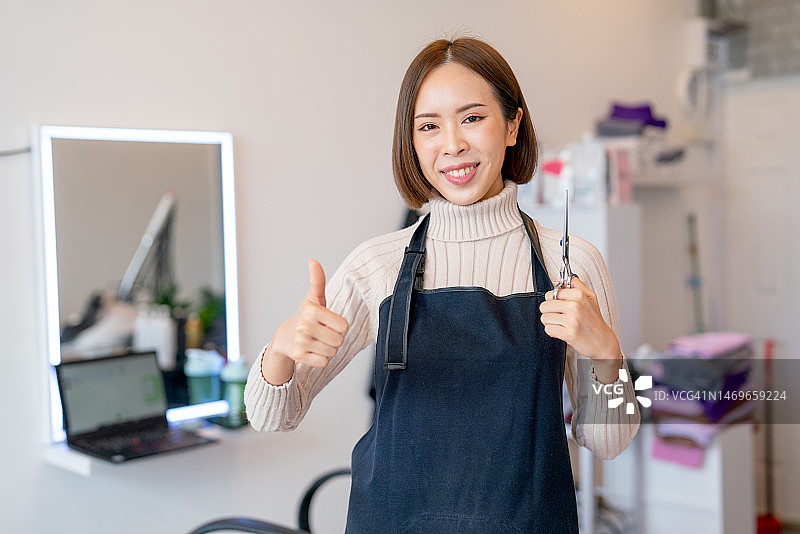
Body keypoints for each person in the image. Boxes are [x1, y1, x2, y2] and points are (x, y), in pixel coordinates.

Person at [245, 36, 640, 533]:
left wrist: (607, 354)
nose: (452, 144)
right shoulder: (378, 265)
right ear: (412, 143)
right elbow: (271, 416)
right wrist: (280, 349)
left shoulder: (571, 263)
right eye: (429, 126)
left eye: (472, 118)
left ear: (513, 125)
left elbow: (611, 441)